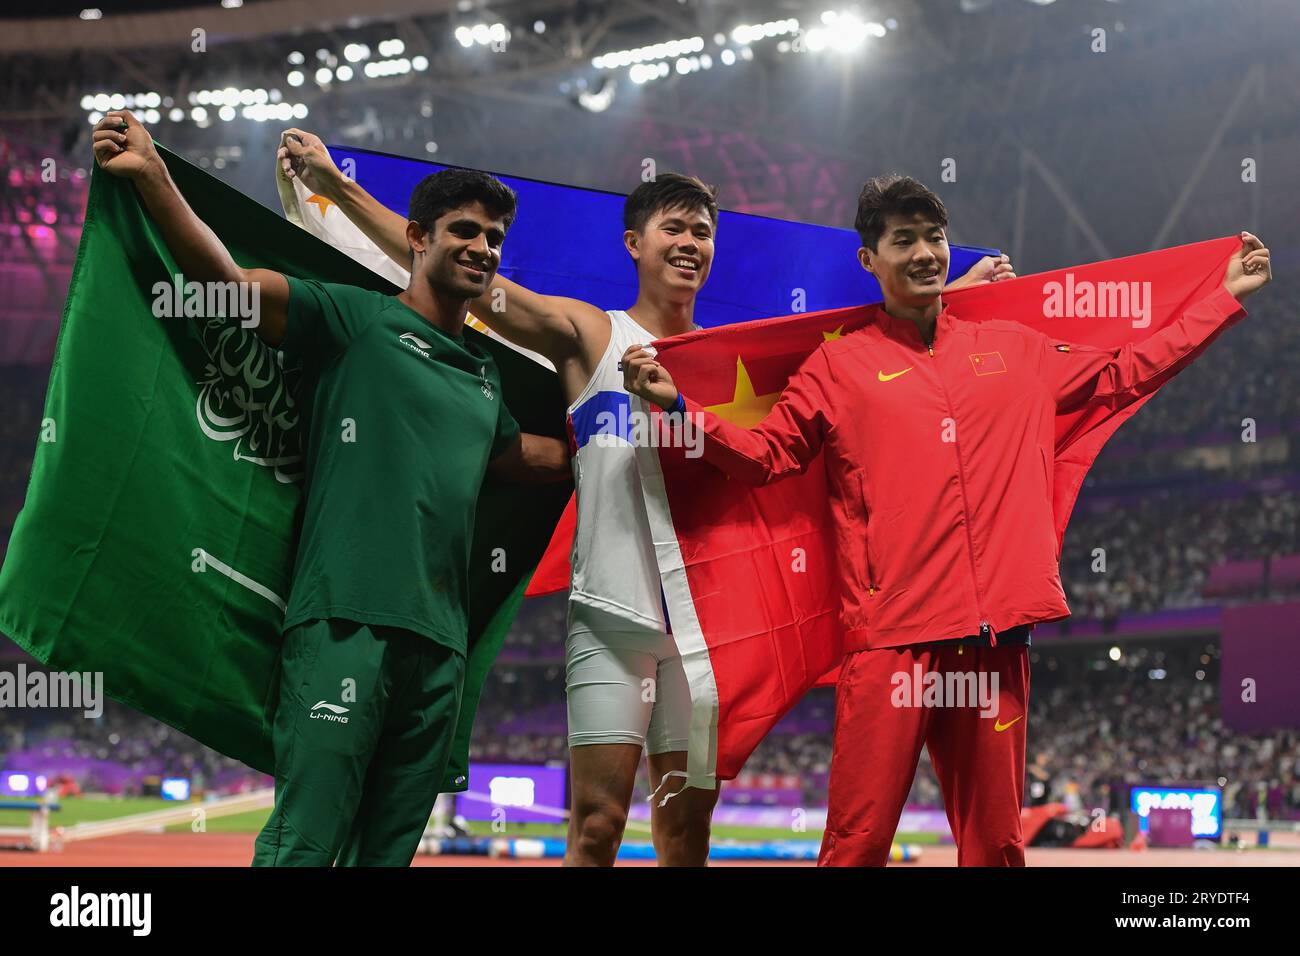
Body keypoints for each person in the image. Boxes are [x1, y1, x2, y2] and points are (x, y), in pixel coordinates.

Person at [275, 132, 1013, 866]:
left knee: (685, 834)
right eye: (674, 228)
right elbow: (465, 277)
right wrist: (337, 189)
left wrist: (945, 301)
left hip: (703, 630)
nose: (691, 242)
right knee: (595, 827)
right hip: (610, 618)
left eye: (703, 231)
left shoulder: (736, 364)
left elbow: (854, 348)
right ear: (634, 242)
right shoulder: (590, 334)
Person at [622, 174, 1271, 866]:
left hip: (995, 639)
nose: (926, 252)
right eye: (905, 240)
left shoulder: (1015, 349)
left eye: (934, 237)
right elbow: (767, 454)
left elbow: (1126, 370)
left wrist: (1219, 300)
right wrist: (682, 413)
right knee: (858, 843)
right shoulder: (837, 366)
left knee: (996, 846)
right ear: (870, 260)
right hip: (892, 640)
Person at [93, 110, 570, 866]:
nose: (483, 249)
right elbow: (229, 286)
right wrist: (155, 176)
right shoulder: (358, 321)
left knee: (387, 856)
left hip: (441, 647)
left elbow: (534, 458)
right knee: (306, 844)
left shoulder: (484, 376)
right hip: (345, 620)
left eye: (494, 240)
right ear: (418, 238)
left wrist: (630, 426)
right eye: (466, 232)